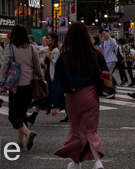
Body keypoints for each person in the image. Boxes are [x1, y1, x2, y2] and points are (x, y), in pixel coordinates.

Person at [52, 22, 106, 169]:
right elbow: (103, 75)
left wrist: (55, 103)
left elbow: (58, 82)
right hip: (90, 94)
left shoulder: (64, 57)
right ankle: (97, 161)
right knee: (90, 129)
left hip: (74, 96)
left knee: (76, 129)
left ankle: (76, 163)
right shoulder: (96, 54)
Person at [99, 29, 119, 99]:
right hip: (106, 60)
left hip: (112, 60)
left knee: (108, 76)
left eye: (105, 33)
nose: (104, 35)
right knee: (108, 75)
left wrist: (109, 37)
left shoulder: (112, 40)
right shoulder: (103, 43)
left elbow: (115, 46)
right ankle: (111, 89)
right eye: (103, 34)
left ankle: (111, 91)